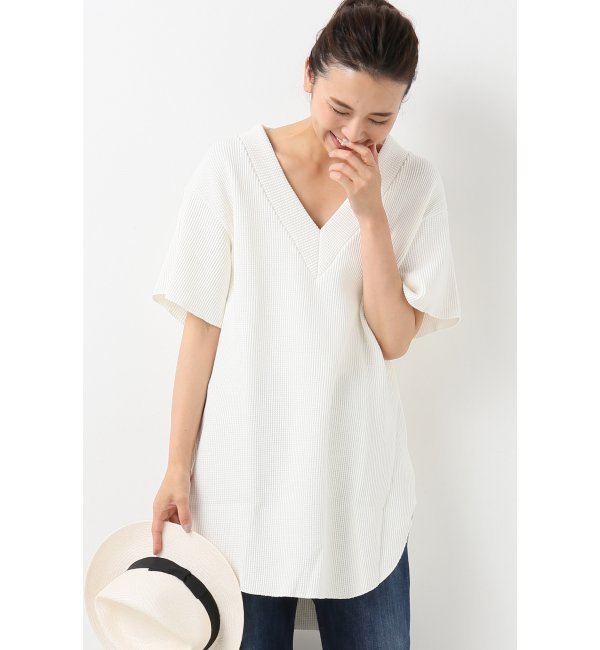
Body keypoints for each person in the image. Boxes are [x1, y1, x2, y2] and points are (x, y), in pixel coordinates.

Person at [150, 0, 461, 648]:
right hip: (243, 482)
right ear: (307, 76)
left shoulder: (413, 185)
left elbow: (394, 339)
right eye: (339, 109)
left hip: (358, 488)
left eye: (380, 119)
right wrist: (176, 466)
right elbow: (201, 330)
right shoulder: (233, 169)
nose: (355, 134)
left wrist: (371, 214)